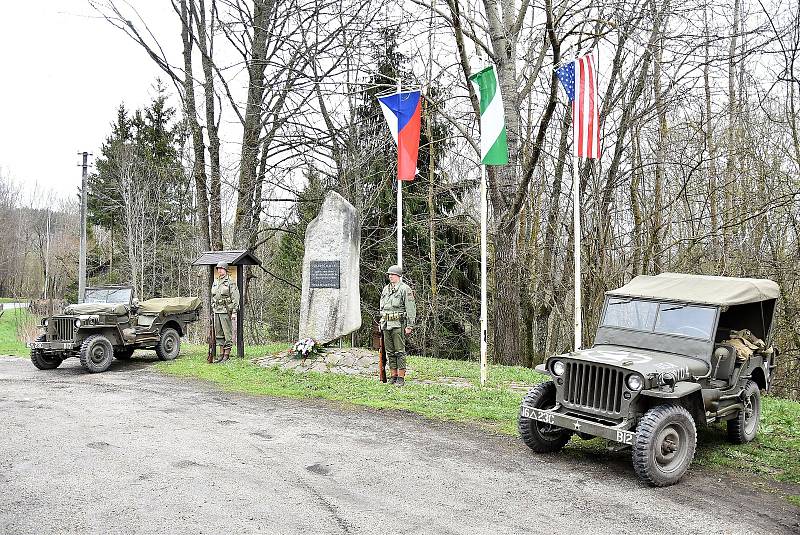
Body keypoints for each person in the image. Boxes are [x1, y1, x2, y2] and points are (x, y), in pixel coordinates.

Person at [379, 264, 416, 386]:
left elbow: (411, 308)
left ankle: (401, 377)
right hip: (386, 324)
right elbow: (382, 307)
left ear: (398, 276)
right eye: (389, 274)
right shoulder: (386, 289)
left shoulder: (405, 289)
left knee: (399, 351)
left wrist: (410, 325)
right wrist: (381, 321)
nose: (390, 276)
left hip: (398, 324)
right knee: (390, 351)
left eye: (393, 275)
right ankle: (393, 375)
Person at [211, 261, 240, 363]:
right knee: (218, 334)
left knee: (227, 333)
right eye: (218, 268)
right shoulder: (216, 282)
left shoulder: (230, 282)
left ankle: (226, 355)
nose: (219, 270)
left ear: (225, 270)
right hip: (217, 310)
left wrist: (234, 311)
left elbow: (235, 297)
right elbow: (213, 296)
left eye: (221, 268)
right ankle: (220, 354)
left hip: (226, 311)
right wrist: (213, 306)